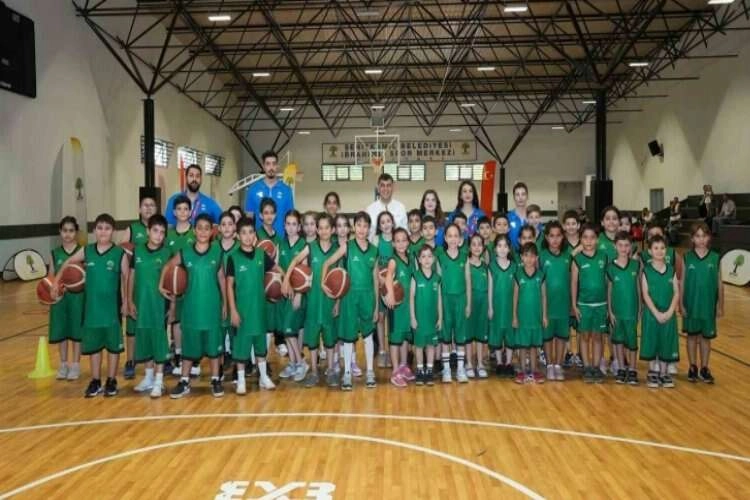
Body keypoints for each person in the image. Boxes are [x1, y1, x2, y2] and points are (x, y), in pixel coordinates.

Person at [53, 214, 128, 398]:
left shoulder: (119, 253)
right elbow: (68, 262)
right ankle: (95, 380)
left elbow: (126, 278)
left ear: (113, 231)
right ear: (94, 231)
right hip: (91, 309)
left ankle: (111, 380)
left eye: (107, 228)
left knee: (113, 347)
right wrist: (56, 281)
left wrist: (127, 301)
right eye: (100, 228)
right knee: (94, 347)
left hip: (111, 310)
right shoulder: (87, 251)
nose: (103, 232)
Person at [163, 214, 227, 399]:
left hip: (212, 307)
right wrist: (161, 285)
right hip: (191, 308)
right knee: (189, 348)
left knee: (214, 348)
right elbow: (168, 266)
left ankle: (215, 379)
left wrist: (225, 302)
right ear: (194, 230)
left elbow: (222, 278)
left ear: (212, 231)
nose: (203, 232)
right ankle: (184, 381)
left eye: (207, 228)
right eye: (199, 228)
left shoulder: (217, 251)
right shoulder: (185, 252)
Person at [322, 211, 379, 390]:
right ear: (354, 227)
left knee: (368, 336)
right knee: (348, 337)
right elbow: (327, 263)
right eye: (359, 225)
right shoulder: (347, 246)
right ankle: (347, 373)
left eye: (365, 226)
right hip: (349, 297)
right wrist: (323, 282)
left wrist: (376, 306)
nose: (362, 229)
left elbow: (376, 279)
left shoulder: (374, 250)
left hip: (367, 296)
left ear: (369, 229)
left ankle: (370, 371)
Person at [282, 213, 337, 388]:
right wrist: (286, 279)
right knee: (312, 340)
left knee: (330, 340)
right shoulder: (311, 247)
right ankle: (313, 371)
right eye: (320, 228)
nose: (323, 231)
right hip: (313, 300)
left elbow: (342, 277)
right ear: (317, 231)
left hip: (329, 301)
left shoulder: (337, 250)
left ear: (332, 230)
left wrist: (338, 302)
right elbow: (295, 261)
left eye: (327, 228)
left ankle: (331, 370)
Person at [227, 217, 277, 393]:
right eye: (244, 233)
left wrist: (285, 279)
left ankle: (263, 377)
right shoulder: (233, 258)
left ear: (255, 234)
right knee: (241, 348)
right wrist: (233, 310)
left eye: (250, 232)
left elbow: (275, 269)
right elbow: (229, 285)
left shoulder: (261, 255)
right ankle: (241, 380)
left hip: (259, 310)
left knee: (260, 347)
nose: (248, 236)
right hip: (242, 311)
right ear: (238, 235)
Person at [128, 214, 172, 398]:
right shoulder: (137, 251)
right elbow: (131, 277)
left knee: (159, 342)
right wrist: (129, 300)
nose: (158, 235)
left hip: (159, 306)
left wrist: (172, 306)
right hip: (141, 304)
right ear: (147, 231)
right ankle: (148, 377)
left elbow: (172, 282)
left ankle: (159, 381)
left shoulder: (167, 254)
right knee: (144, 340)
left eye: (162, 232)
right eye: (155, 231)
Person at [682, 222, 723, 384]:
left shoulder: (715, 258)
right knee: (692, 337)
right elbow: (682, 282)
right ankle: (693, 367)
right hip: (691, 305)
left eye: (704, 236)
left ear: (709, 238)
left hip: (708, 306)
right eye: (697, 236)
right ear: (692, 239)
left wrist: (720, 305)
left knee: (706, 338)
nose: (701, 239)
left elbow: (720, 284)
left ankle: (704, 368)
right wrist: (681, 304)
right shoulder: (687, 257)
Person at [122, 194, 158, 380]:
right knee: (132, 325)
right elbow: (123, 255)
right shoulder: (131, 229)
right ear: (139, 209)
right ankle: (130, 360)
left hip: (153, 284)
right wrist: (125, 297)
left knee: (154, 324)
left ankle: (155, 358)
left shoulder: (160, 229)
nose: (148, 208)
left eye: (152, 205)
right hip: (135, 282)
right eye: (145, 205)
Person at [640, 235, 680, 389]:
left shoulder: (671, 270)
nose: (659, 251)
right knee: (651, 341)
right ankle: (653, 371)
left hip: (668, 313)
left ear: (666, 250)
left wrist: (670, 311)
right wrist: (656, 313)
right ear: (650, 251)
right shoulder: (646, 271)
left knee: (666, 342)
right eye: (656, 248)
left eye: (662, 248)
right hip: (652, 314)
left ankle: (664, 372)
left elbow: (676, 292)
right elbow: (645, 294)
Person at [571, 223, 608, 384]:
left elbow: (608, 282)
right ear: (580, 239)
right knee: (585, 336)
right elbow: (573, 283)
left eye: (592, 237)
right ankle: (587, 367)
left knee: (598, 337)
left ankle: (596, 367)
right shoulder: (577, 259)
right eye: (585, 237)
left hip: (601, 305)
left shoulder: (603, 257)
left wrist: (609, 306)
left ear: (597, 239)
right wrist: (574, 305)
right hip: (584, 305)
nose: (589, 241)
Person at [48, 216, 84, 381]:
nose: (68, 234)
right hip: (60, 300)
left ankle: (75, 365)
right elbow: (50, 278)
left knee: (76, 333)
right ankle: (63, 364)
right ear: (60, 232)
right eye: (64, 231)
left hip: (78, 298)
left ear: (76, 232)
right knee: (61, 332)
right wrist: (51, 292)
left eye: (71, 231)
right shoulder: (54, 253)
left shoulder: (83, 252)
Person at [436, 224, 471, 383]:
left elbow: (468, 281)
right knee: (445, 336)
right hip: (445, 299)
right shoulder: (440, 257)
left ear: (460, 239)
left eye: (456, 235)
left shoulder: (464, 257)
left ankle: (461, 369)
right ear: (445, 238)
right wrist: (439, 307)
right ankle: (447, 370)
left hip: (461, 299)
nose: (452, 239)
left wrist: (468, 304)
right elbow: (438, 283)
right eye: (449, 236)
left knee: (460, 335)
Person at [277, 210, 308, 383]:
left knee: (289, 330)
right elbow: (277, 266)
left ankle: (301, 363)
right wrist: (283, 281)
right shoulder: (280, 244)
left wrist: (299, 294)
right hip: (283, 292)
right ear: (284, 225)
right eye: (288, 224)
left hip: (297, 294)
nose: (290, 227)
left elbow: (305, 273)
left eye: (294, 224)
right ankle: (293, 363)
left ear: (299, 227)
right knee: (286, 330)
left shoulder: (303, 245)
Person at [606, 231, 641, 386]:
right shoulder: (610, 267)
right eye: (620, 245)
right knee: (618, 341)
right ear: (615, 246)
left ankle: (632, 369)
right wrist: (610, 311)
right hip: (617, 312)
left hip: (631, 311)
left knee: (632, 343)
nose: (623, 248)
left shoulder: (636, 265)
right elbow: (609, 290)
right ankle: (621, 368)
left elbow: (638, 288)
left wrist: (639, 309)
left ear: (630, 247)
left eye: (626, 245)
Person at [512, 242, 547, 384]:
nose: (529, 259)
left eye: (532, 256)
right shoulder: (518, 275)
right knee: (522, 345)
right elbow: (515, 297)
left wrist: (544, 315)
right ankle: (522, 370)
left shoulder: (541, 275)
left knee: (533, 346)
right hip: (522, 317)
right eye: (526, 256)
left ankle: (534, 370)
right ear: (521, 257)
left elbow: (544, 296)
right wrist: (514, 316)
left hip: (536, 317)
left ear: (536, 258)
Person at [382, 228, 414, 387]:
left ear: (408, 242)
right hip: (397, 307)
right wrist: (390, 296)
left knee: (405, 338)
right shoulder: (393, 260)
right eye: (398, 241)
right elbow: (388, 276)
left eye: (404, 240)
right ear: (393, 244)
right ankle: (395, 371)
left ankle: (403, 366)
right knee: (395, 340)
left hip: (408, 306)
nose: (401, 244)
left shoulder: (410, 259)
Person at [540, 221, 571, 382]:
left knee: (561, 336)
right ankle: (549, 364)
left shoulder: (568, 256)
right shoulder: (542, 256)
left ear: (563, 237)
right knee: (547, 337)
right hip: (547, 305)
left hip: (563, 304)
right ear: (546, 237)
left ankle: (558, 364)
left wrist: (572, 304)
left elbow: (572, 281)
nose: (555, 239)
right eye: (551, 236)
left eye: (558, 235)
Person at [409, 244, 441, 387]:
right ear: (419, 260)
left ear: (433, 259)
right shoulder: (415, 276)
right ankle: (420, 370)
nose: (427, 259)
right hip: (419, 319)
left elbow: (439, 299)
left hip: (432, 319)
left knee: (431, 346)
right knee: (419, 346)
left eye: (429, 256)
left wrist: (440, 318)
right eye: (423, 256)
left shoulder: (437, 278)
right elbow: (411, 297)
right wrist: (413, 317)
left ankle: (429, 370)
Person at [245, 150, 295, 237]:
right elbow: (249, 219)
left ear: (277, 166)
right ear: (263, 166)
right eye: (268, 164)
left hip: (281, 240)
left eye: (274, 164)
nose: (271, 167)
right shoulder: (253, 189)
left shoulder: (287, 190)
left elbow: (291, 218)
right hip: (260, 240)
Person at [488, 234, 516, 377]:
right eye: (499, 246)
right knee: (497, 334)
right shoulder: (491, 267)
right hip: (497, 306)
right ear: (495, 249)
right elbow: (490, 288)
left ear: (509, 248)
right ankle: (499, 363)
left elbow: (516, 290)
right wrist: (490, 307)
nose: (502, 249)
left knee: (510, 334)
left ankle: (509, 363)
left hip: (510, 307)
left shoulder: (514, 267)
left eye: (505, 246)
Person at [466, 234, 489, 379]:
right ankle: (469, 363)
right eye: (473, 244)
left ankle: (480, 363)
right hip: (470, 304)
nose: (476, 247)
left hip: (483, 304)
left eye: (479, 244)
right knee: (468, 335)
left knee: (480, 335)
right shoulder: (466, 264)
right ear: (469, 247)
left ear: (483, 247)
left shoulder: (486, 266)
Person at [374, 211, 395, 368]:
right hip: (380, 284)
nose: (386, 224)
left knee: (393, 319)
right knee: (380, 318)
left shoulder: (397, 240)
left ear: (393, 223)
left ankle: (393, 350)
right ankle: (382, 350)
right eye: (383, 222)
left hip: (394, 285)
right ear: (379, 226)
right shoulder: (376, 240)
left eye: (388, 221)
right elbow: (373, 264)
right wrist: (380, 279)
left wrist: (391, 282)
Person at [365, 173, 408, 240]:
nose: (385, 189)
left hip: (397, 246)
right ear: (378, 188)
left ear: (393, 187)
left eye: (388, 185)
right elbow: (367, 234)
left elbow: (405, 231)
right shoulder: (370, 210)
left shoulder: (401, 208)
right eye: (382, 185)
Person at [508, 182, 530, 248]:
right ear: (514, 197)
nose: (520, 197)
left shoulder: (533, 217)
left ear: (527, 196)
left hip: (530, 253)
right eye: (517, 194)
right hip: (512, 254)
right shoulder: (508, 217)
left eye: (523, 194)